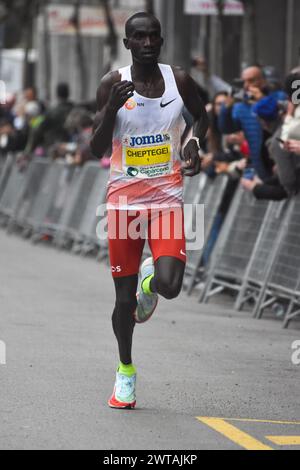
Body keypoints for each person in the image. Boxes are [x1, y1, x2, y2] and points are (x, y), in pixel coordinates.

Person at [90, 12, 208, 409]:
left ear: (161, 39)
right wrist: (110, 110)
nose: (147, 42)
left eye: (153, 36)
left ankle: (150, 283)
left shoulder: (180, 80)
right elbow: (95, 148)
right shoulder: (113, 82)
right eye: (138, 37)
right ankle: (125, 370)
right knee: (123, 303)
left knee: (170, 285)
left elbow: (202, 117)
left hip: (166, 200)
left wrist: (193, 143)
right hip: (123, 203)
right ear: (127, 43)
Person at [219, 65, 286, 180]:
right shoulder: (240, 107)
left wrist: (262, 100)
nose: (246, 85)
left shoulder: (279, 96)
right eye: (244, 82)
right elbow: (226, 128)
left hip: (283, 160)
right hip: (261, 167)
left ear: (264, 81)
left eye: (251, 81)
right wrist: (226, 109)